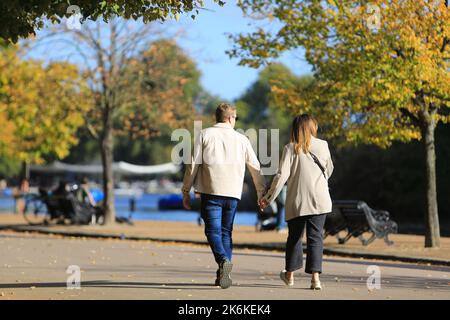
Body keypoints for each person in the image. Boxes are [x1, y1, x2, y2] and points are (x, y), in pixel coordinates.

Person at [182, 103, 266, 289]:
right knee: (226, 232)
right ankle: (222, 275)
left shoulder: (205, 134)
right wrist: (261, 192)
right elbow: (255, 167)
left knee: (212, 231)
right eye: (235, 118)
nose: (235, 121)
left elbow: (192, 165)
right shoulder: (242, 139)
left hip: (211, 191)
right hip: (233, 193)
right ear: (230, 118)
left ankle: (222, 261)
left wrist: (186, 190)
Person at [259, 114, 334, 290]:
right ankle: (315, 279)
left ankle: (289, 275)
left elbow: (281, 176)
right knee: (316, 238)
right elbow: (329, 170)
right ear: (311, 128)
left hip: (298, 201)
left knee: (294, 238)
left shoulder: (290, 148)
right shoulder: (323, 145)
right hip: (320, 199)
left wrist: (268, 198)